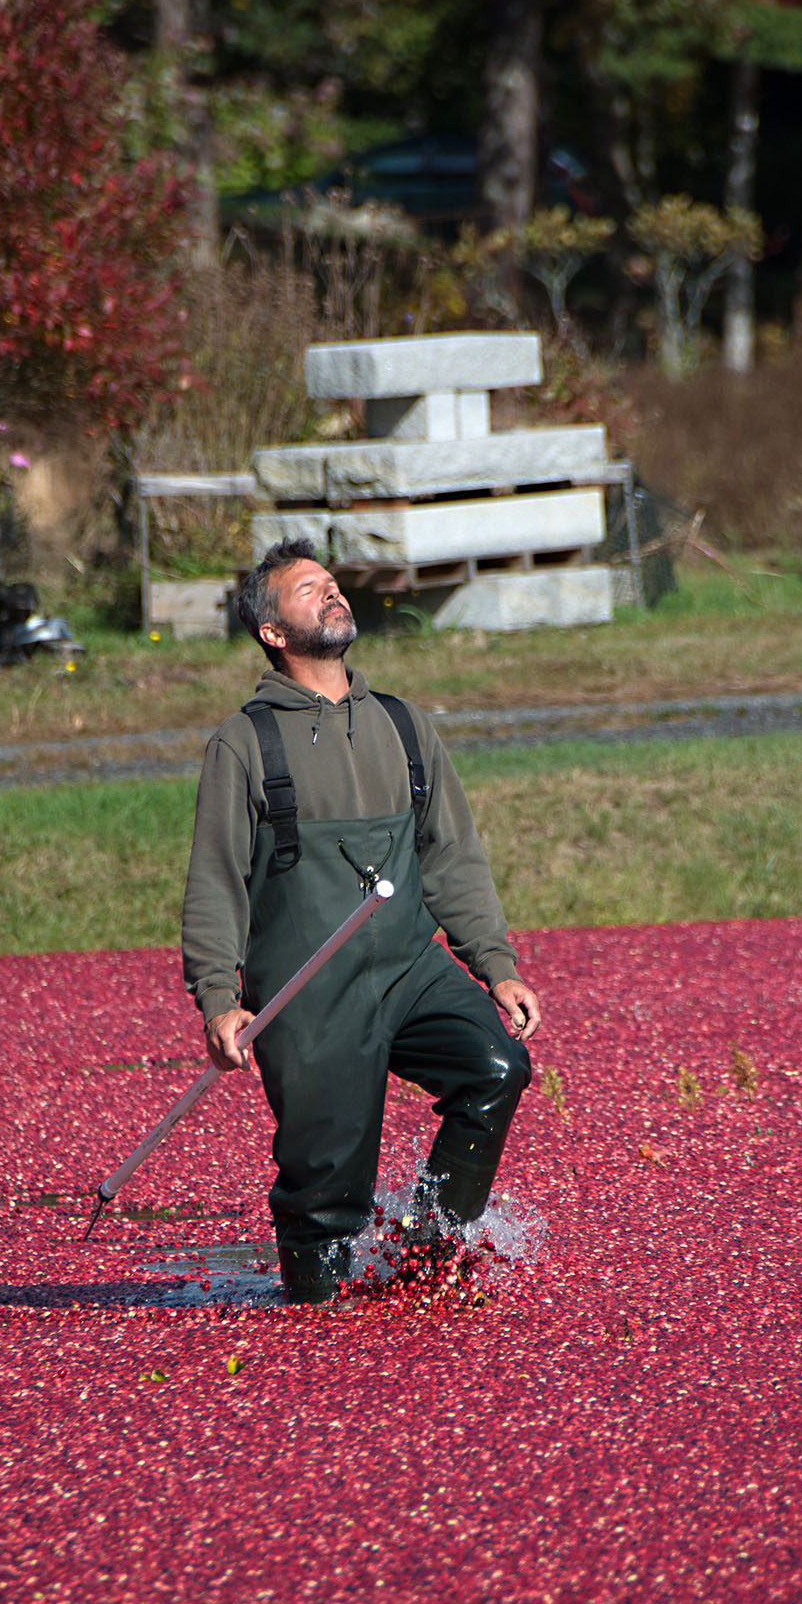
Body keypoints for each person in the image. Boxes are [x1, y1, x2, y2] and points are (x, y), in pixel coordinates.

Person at [181, 538, 540, 1303]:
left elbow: (452, 858)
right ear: (271, 632)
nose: (331, 594)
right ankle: (314, 1316)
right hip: (308, 999)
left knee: (496, 1070)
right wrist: (218, 998)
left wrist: (495, 965)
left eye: (333, 584)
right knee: (324, 1192)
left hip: (412, 971)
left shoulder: (405, 726)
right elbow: (214, 882)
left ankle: (426, 1255)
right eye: (308, 590)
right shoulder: (245, 744)